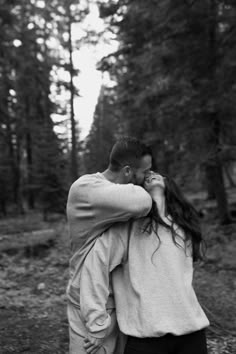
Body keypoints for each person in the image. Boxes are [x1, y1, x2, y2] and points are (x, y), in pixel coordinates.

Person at [80, 172, 210, 354]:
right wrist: (97, 323)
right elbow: (94, 269)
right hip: (146, 340)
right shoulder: (126, 228)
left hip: (192, 334)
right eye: (146, 175)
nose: (151, 174)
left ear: (168, 184)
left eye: (159, 174)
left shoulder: (185, 229)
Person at [66, 136, 153, 354]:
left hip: (122, 302)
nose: (148, 177)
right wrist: (157, 191)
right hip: (90, 305)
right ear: (127, 171)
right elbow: (143, 202)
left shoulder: (118, 196)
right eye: (144, 171)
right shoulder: (86, 188)